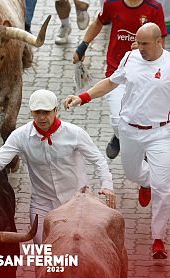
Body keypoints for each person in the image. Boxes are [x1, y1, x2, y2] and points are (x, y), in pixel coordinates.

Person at [64, 23, 170, 259]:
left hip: (160, 133)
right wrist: (83, 97)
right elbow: (111, 83)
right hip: (130, 131)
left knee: (163, 187)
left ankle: (158, 239)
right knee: (133, 173)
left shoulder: (169, 65)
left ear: (158, 42)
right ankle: (145, 183)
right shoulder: (130, 58)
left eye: (144, 44)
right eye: (138, 43)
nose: (139, 48)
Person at [0, 89, 115, 244]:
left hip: (76, 201)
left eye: (46, 112)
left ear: (56, 110)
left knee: (80, 247)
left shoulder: (75, 133)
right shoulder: (20, 136)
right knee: (42, 248)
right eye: (37, 112)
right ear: (31, 113)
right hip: (42, 203)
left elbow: (98, 160)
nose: (42, 117)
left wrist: (107, 184)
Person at [73, 0, 167, 159]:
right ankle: (118, 134)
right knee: (118, 120)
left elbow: (161, 43)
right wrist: (82, 46)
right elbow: (98, 22)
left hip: (144, 72)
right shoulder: (111, 3)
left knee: (141, 114)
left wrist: (143, 48)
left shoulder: (155, 8)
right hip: (116, 70)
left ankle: (144, 151)